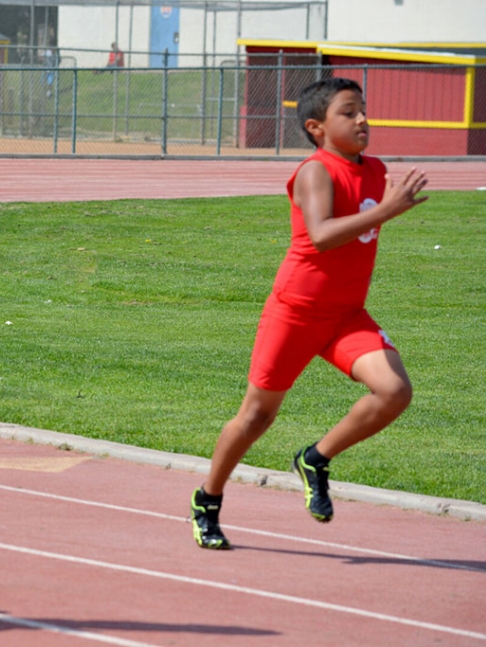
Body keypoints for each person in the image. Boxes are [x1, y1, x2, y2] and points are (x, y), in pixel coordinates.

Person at [190, 77, 429, 550]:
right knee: (256, 418)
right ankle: (207, 499)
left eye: (363, 110)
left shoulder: (376, 170)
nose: (362, 119)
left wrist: (384, 207)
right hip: (296, 312)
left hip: (345, 315)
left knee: (395, 391)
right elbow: (320, 235)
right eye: (349, 112)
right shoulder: (314, 171)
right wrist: (387, 211)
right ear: (316, 127)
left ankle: (316, 458)